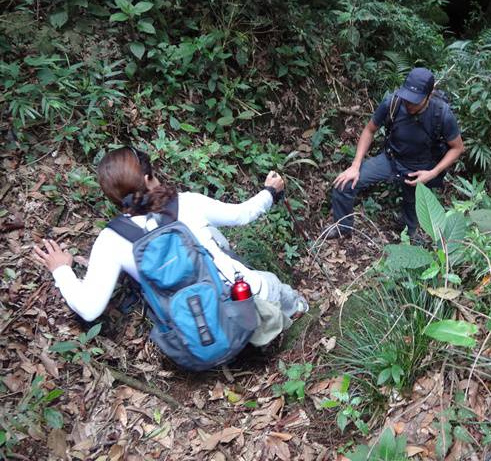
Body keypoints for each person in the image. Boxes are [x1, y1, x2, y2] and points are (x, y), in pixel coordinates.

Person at [32, 147, 308, 349]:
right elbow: (242, 215)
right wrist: (269, 191)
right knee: (279, 291)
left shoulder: (112, 239)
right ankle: (302, 317)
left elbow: (89, 309)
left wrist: (61, 270)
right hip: (246, 304)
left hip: (197, 335)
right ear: (149, 178)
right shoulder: (187, 203)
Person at [328, 67, 465, 240]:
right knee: (345, 184)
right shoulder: (393, 103)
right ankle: (343, 228)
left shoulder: (442, 114)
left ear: (428, 96)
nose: (409, 104)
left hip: (420, 168)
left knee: (412, 205)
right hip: (391, 159)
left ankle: (410, 233)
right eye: (407, 98)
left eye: (415, 101)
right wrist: (355, 166)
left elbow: (457, 147)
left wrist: (432, 173)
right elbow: (369, 130)